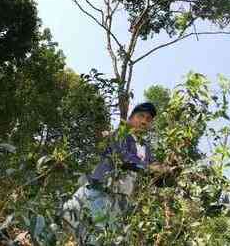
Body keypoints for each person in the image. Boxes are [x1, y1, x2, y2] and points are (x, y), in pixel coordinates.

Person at [61, 102, 171, 245]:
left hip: (120, 200)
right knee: (67, 216)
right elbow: (123, 158)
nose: (144, 121)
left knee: (99, 238)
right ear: (131, 119)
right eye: (141, 116)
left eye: (149, 119)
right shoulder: (121, 134)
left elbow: (157, 177)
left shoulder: (146, 149)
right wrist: (150, 168)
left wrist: (168, 172)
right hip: (99, 190)